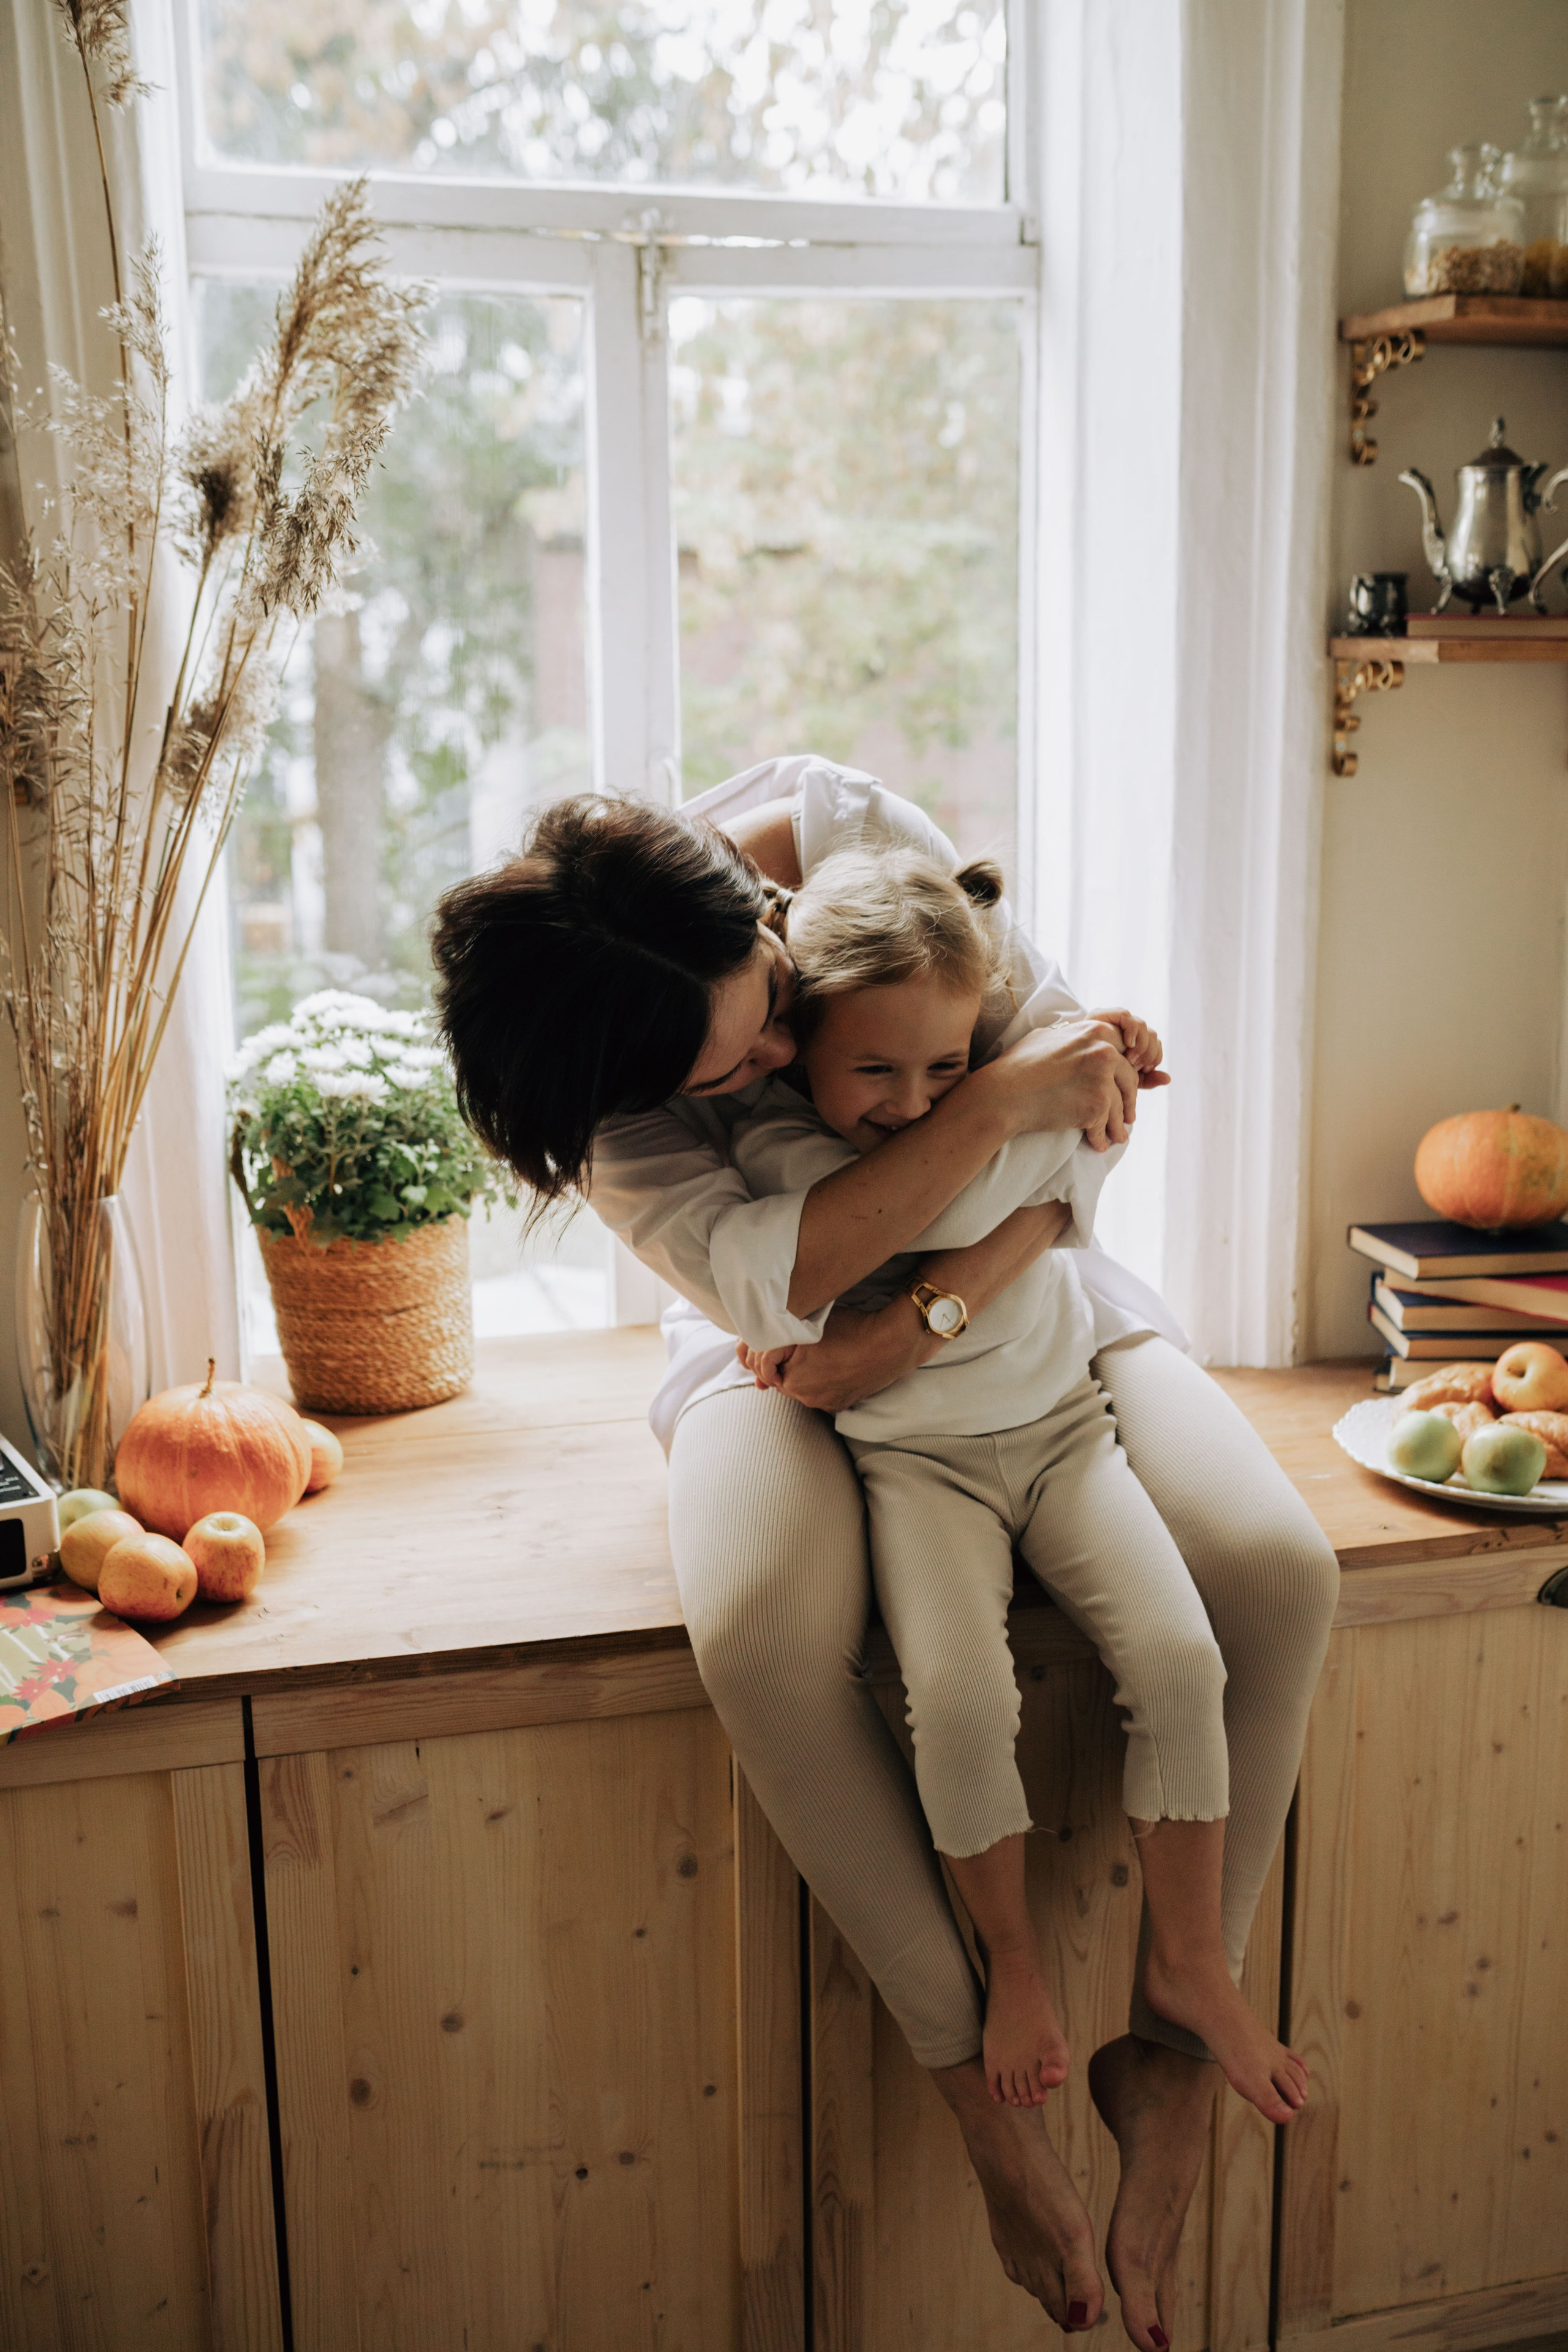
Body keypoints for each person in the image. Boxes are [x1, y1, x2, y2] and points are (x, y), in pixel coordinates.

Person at [431, 754, 1340, 2345]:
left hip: (1029, 1297)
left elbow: (1088, 1128)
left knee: (1278, 1570)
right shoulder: (622, 1117)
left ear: (764, 913)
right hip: (776, 1363)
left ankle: (1174, 2051)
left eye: (776, 999)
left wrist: (923, 1309)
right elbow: (779, 1292)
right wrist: (989, 1107)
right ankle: (978, 2091)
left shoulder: (846, 839)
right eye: (740, 1070)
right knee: (766, 1635)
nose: (781, 1052)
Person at [726, 844, 1310, 2127]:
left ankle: (1190, 1961)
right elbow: (928, 1213)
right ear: (801, 1043)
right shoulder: (783, 1161)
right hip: (915, 1471)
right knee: (957, 1696)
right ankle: (1017, 1968)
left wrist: (1088, 1066)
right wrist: (1053, 1092)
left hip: (1064, 1433)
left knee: (1180, 1661)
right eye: (874, 1069)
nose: (911, 1101)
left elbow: (1064, 1155)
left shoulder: (1004, 1088)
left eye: (942, 1066)